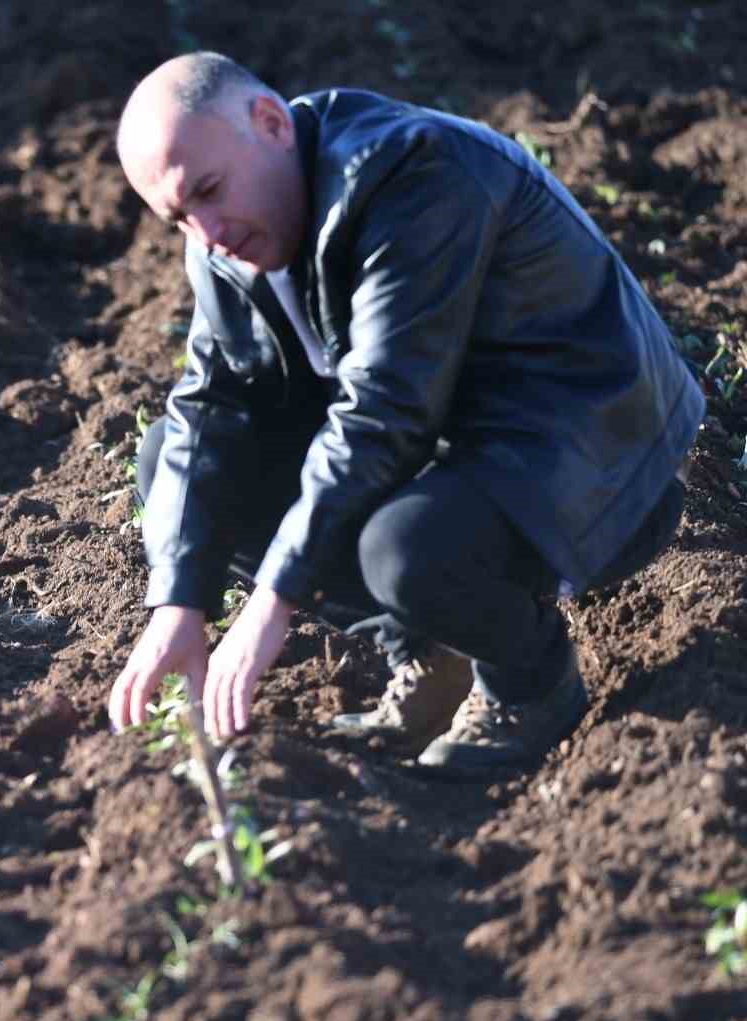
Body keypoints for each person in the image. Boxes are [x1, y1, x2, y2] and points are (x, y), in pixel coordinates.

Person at [106, 53, 702, 779]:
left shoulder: (414, 174)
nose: (205, 232)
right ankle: (429, 646)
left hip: (592, 452)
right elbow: (210, 408)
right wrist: (180, 601)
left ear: (270, 123)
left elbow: (386, 407)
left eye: (208, 190)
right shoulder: (225, 241)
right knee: (169, 457)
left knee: (404, 548)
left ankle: (530, 681)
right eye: (179, 217)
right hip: (452, 448)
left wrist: (273, 601)